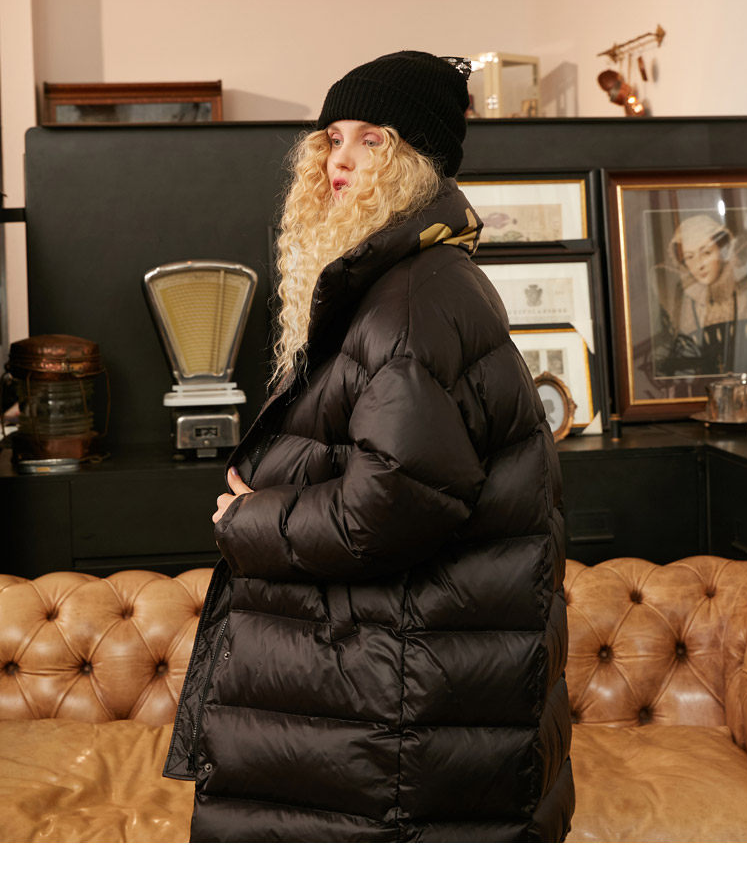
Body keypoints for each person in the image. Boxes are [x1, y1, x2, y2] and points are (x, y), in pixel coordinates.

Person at [162, 50, 574, 842]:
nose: (340, 160)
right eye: (333, 138)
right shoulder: (402, 282)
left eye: (371, 139)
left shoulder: (410, 301)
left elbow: (391, 503)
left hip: (395, 722)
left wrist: (250, 517)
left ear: (417, 160)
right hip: (387, 706)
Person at [653, 213, 747, 377]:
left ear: (722, 252)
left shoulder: (745, 291)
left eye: (706, 253)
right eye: (689, 257)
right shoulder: (686, 302)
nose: (699, 265)